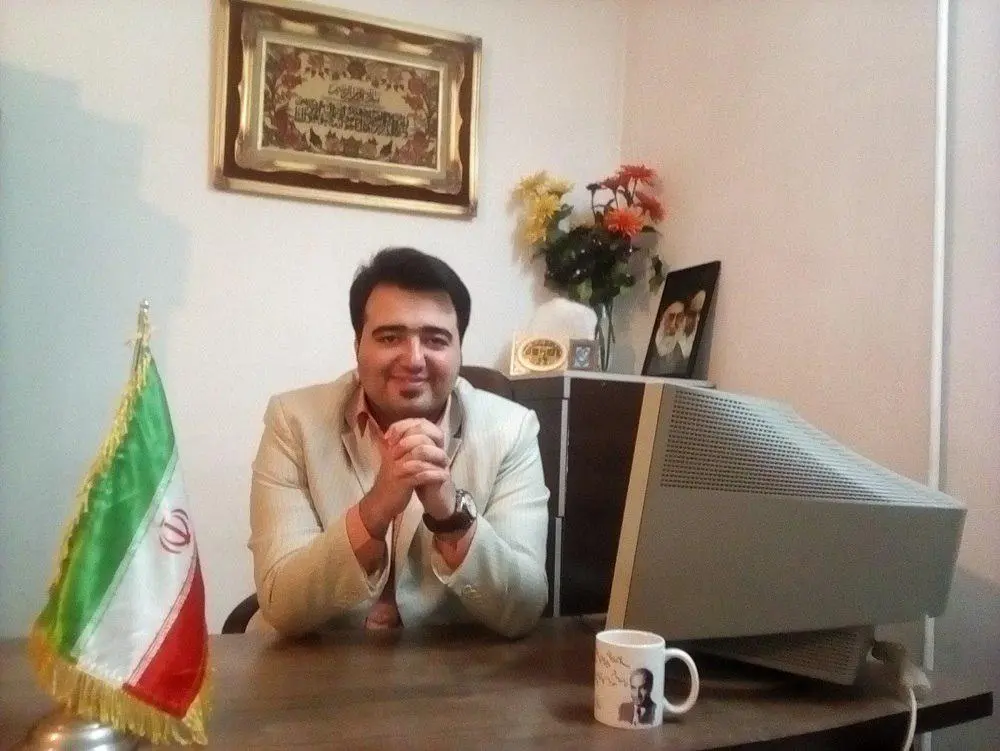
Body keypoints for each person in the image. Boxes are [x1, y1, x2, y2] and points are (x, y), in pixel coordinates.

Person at [248, 247, 549, 638]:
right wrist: (374, 510)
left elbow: (523, 609)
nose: (414, 359)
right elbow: (280, 602)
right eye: (390, 337)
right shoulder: (293, 421)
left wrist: (452, 517)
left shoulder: (512, 430)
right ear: (357, 346)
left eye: (436, 340)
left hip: (448, 664)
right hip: (319, 657)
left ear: (459, 350)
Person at [648, 299, 687, 376]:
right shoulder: (649, 346)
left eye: (679, 317)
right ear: (662, 317)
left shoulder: (677, 349)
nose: (673, 324)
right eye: (671, 317)